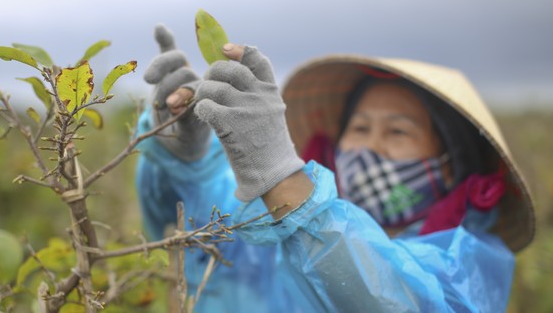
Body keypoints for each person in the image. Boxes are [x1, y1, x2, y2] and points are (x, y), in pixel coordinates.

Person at [136, 25, 535, 312]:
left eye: (397, 132)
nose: (370, 147)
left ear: (451, 166)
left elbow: (396, 300)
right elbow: (196, 217)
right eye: (359, 128)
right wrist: (183, 157)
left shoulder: (467, 261)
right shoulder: (269, 221)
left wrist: (284, 179)